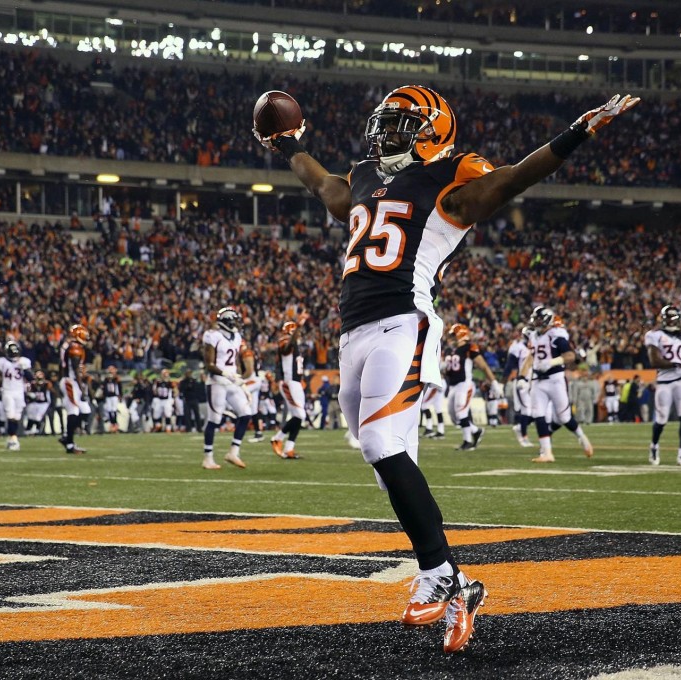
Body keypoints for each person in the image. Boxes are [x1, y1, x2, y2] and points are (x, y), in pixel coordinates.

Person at [259, 82, 638, 652]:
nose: (386, 132)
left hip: (403, 323)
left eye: (401, 124)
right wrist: (288, 145)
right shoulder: (366, 176)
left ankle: (436, 572)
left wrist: (576, 133)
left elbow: (512, 178)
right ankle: (458, 585)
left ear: (433, 132)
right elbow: (326, 189)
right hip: (354, 331)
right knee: (388, 457)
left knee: (380, 443)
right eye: (384, 122)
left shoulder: (449, 179)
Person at [522, 306, 592, 463]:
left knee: (564, 417)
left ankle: (582, 438)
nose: (536, 322)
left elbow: (570, 356)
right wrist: (522, 376)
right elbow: (531, 357)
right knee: (538, 414)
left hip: (555, 379)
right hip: (538, 380)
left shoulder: (556, 334)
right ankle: (547, 453)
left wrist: (552, 362)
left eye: (539, 319)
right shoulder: (533, 336)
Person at [201, 307, 254, 470]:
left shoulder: (236, 337)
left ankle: (233, 452)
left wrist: (238, 377)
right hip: (217, 382)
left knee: (246, 414)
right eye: (235, 320)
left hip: (231, 381)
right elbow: (209, 364)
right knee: (214, 420)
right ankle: (208, 458)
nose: (237, 324)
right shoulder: (213, 336)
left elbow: (234, 361)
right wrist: (225, 373)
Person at [645, 305, 681, 466]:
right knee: (661, 419)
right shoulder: (655, 335)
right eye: (668, 317)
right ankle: (654, 446)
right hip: (664, 382)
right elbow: (654, 361)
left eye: (673, 317)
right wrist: (676, 365)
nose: (670, 320)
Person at [443, 323, 497, 451]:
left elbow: (483, 365)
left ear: (461, 335)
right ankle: (476, 430)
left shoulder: (469, 348)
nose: (450, 338)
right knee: (454, 416)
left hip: (465, 384)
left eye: (453, 335)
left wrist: (493, 381)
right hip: (453, 386)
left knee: (461, 411)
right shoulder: (450, 350)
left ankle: (467, 441)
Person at [271, 315, 310, 460]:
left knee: (298, 417)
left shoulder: (295, 345)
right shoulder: (285, 341)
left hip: (296, 382)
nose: (299, 334)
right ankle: (277, 438)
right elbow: (286, 348)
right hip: (289, 382)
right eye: (296, 331)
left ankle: (289, 449)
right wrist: (297, 329)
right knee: (300, 415)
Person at [0, 340, 32, 450]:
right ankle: (14, 439)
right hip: (7, 391)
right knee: (10, 415)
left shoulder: (24, 362)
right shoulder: (2, 362)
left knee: (17, 416)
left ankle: (11, 438)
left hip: (19, 391)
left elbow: (30, 378)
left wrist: (25, 369)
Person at [58, 324, 91, 454]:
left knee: (85, 410)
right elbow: (76, 369)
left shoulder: (68, 345)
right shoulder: (75, 347)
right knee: (74, 410)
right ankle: (70, 444)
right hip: (70, 381)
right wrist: (81, 386)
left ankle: (67, 436)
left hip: (71, 381)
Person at [506, 325, 534, 446]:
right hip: (523, 382)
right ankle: (524, 437)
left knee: (537, 412)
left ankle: (519, 427)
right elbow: (510, 365)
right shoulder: (518, 348)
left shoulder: (537, 346)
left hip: (535, 382)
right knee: (526, 409)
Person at [102, 365, 123, 433]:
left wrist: (120, 396)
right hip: (108, 396)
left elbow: (119, 387)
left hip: (114, 396)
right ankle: (112, 423)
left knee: (113, 409)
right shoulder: (106, 379)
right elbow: (104, 387)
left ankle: (115, 424)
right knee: (109, 410)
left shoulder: (116, 378)